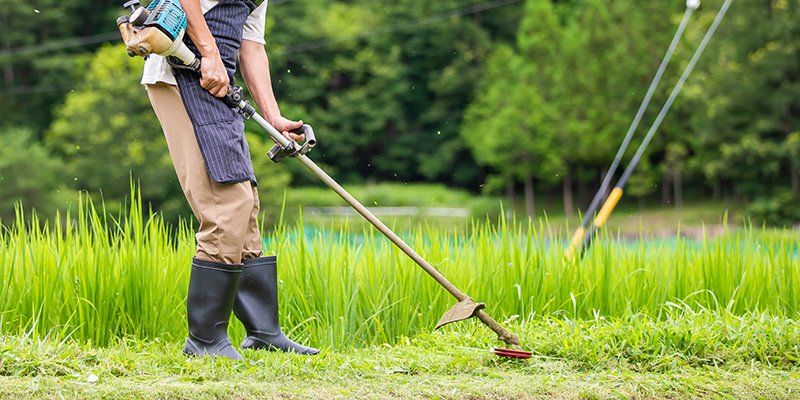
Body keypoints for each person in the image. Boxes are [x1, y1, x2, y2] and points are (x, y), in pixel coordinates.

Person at [142, 0, 318, 359]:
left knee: (245, 203)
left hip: (217, 83)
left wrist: (273, 118)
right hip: (180, 73)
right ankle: (205, 340)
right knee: (226, 204)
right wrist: (208, 53)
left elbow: (250, 45)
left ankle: (263, 332)